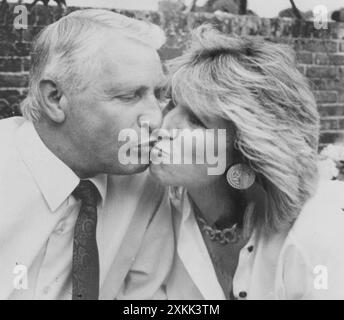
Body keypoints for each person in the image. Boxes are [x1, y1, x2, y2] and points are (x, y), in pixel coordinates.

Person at [150, 25, 344, 300]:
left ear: (247, 150)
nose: (165, 126)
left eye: (196, 121)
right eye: (171, 106)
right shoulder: (157, 211)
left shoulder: (320, 232)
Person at [0, 9, 173, 300]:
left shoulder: (147, 184)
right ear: (55, 98)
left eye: (159, 94)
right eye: (129, 95)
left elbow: (146, 300)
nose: (155, 119)